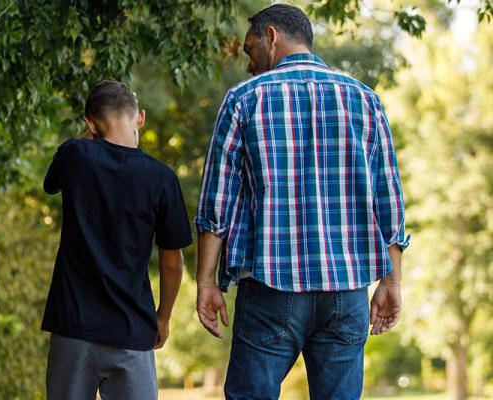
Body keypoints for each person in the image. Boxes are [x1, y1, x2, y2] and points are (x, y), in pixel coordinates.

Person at [195, 5, 410, 400]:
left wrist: (207, 280)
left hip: (270, 287)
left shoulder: (244, 99)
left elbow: (216, 206)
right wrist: (392, 280)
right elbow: (389, 203)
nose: (248, 65)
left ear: (271, 37)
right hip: (347, 290)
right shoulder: (364, 100)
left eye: (249, 50)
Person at [42, 80, 192, 400]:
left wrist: (92, 128)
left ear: (90, 123)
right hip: (132, 332)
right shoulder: (162, 178)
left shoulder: (75, 155)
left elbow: (50, 183)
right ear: (140, 118)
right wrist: (162, 318)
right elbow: (171, 262)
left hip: (72, 328)